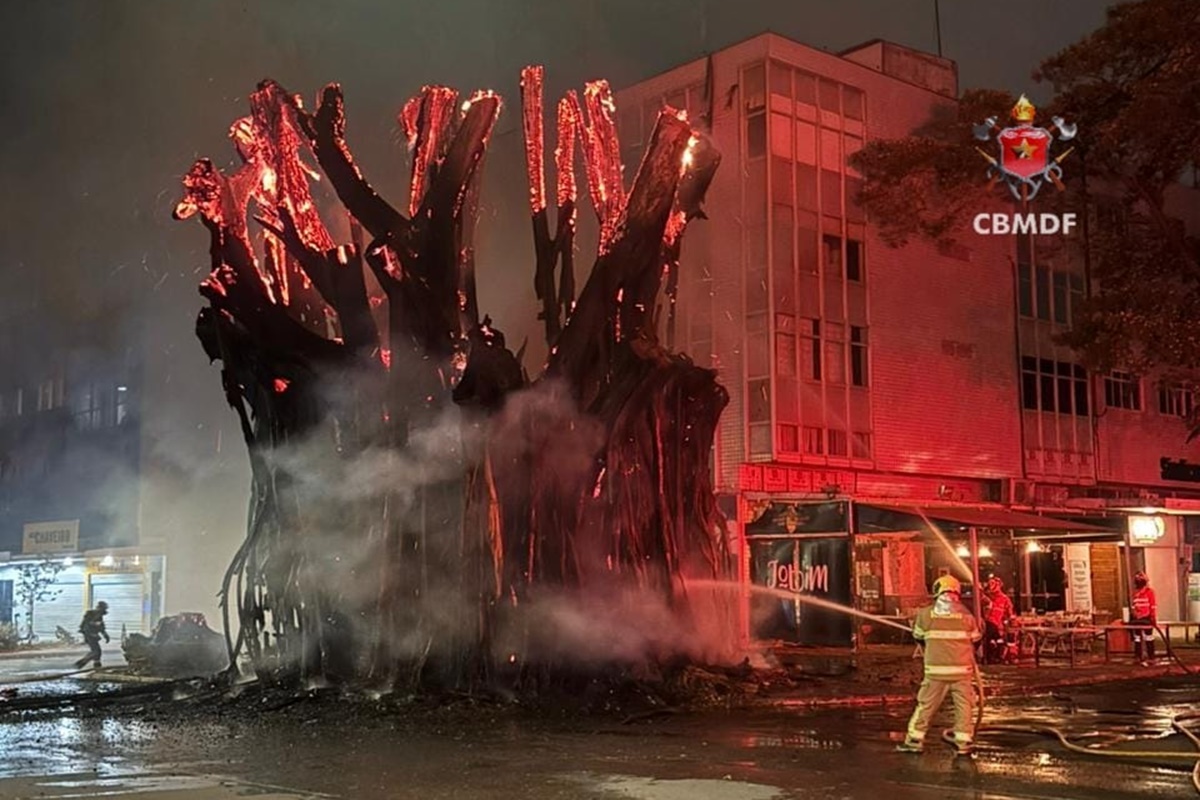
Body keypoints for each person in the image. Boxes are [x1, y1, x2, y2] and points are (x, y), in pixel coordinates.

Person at [897, 575, 982, 756]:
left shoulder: (925, 614)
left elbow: (918, 637)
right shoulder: (967, 616)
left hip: (935, 671)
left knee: (926, 705)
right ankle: (964, 743)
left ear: (937, 592)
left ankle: (914, 741)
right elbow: (976, 640)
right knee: (964, 706)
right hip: (963, 671)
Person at [982, 575, 1015, 664]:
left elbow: (1010, 613)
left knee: (997, 640)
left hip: (997, 625)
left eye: (993, 583)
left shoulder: (1004, 599)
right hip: (986, 624)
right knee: (990, 640)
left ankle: (998, 657)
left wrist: (1009, 620)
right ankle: (991, 657)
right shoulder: (986, 597)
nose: (991, 586)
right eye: (990, 584)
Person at [1130, 571, 1157, 664]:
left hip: (1146, 618)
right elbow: (1134, 606)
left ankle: (1150, 656)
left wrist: (1153, 618)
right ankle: (1138, 655)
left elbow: (1152, 606)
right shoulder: (1136, 593)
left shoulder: (1149, 592)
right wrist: (1134, 615)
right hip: (1138, 619)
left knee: (1148, 637)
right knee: (1137, 637)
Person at [73, 601, 110, 670]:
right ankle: (79, 664)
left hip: (93, 635)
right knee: (96, 651)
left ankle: (97, 666)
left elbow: (101, 627)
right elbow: (84, 625)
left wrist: (106, 635)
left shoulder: (99, 616)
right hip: (89, 635)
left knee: (97, 652)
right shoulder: (90, 614)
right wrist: (91, 631)